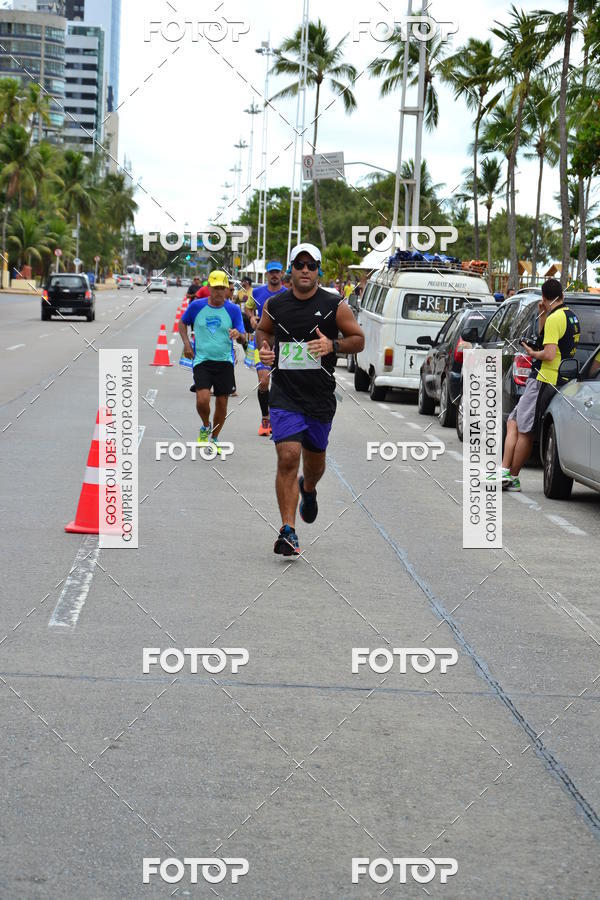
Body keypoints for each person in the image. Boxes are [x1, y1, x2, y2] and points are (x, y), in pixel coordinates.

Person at [256, 243, 365, 556]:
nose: (305, 270)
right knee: (288, 456)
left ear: (318, 270)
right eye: (299, 264)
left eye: (311, 265)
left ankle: (309, 487)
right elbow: (263, 332)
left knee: (314, 463)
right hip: (285, 393)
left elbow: (358, 339)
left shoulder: (335, 304)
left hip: (319, 397)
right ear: (291, 269)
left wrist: (333, 345)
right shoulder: (275, 305)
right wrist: (264, 353)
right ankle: (288, 530)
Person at [501, 278, 580, 491]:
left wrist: (532, 353)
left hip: (544, 378)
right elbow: (548, 337)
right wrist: (543, 314)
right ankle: (506, 471)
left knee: (524, 428)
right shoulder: (570, 316)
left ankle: (510, 475)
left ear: (544, 298)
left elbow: (549, 353)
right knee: (514, 421)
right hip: (554, 378)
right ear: (561, 295)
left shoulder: (556, 319)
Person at [179, 270, 246, 451]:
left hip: (225, 362)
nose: (218, 292)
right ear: (208, 287)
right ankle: (205, 425)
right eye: (215, 288)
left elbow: (243, 336)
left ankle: (215, 437)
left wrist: (238, 334)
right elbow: (182, 323)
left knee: (222, 403)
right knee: (202, 399)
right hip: (202, 360)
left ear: (226, 290)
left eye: (222, 288)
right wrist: (187, 344)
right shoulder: (196, 306)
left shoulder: (232, 309)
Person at [245, 260, 287, 436]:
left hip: (283, 344)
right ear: (267, 274)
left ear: (282, 274)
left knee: (282, 383)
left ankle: (280, 418)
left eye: (277, 272)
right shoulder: (256, 292)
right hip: (261, 343)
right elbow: (248, 308)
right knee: (263, 381)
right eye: (271, 272)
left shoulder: (289, 294)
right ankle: (265, 418)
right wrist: (252, 318)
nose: (275, 275)